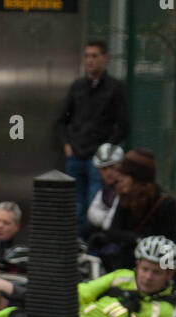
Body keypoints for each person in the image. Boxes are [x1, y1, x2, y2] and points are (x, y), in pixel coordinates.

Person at [55, 40, 129, 232]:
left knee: (96, 203)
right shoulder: (78, 86)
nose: (90, 61)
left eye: (94, 56)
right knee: (75, 206)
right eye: (87, 56)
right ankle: (78, 246)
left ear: (105, 58)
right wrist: (67, 144)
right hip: (76, 155)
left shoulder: (115, 88)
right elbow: (61, 119)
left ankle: (94, 246)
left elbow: (123, 125)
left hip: (99, 159)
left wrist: (106, 152)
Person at [101, 149, 176, 272]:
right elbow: (113, 232)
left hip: (153, 272)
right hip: (125, 267)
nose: (119, 178)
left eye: (125, 175)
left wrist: (167, 279)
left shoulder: (165, 203)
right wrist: (137, 239)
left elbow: (168, 245)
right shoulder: (125, 197)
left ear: (139, 179)